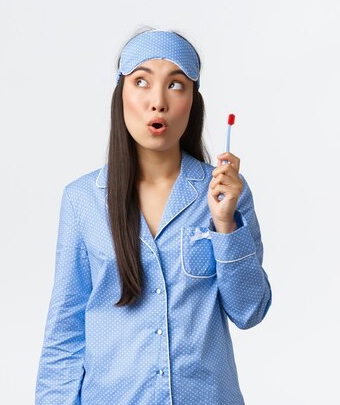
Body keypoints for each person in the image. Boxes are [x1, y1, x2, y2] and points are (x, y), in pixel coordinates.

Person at [35, 28, 272, 405]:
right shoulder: (83, 201)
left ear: (193, 102)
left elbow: (249, 311)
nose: (157, 101)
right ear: (121, 96)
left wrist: (225, 225)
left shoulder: (225, 194)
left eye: (176, 85)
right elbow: (65, 335)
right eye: (141, 82)